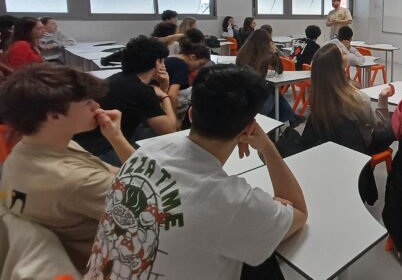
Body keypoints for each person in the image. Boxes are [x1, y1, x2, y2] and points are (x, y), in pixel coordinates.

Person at [85, 65, 308, 279]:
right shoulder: (232, 202)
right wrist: (268, 147)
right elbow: (298, 211)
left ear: (191, 114)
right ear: (248, 128)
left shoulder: (146, 151)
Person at [0, 64, 133, 271]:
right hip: (113, 264)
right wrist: (119, 139)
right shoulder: (77, 181)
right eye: (88, 102)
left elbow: (123, 177)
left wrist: (113, 137)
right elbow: (154, 199)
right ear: (54, 117)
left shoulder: (21, 154)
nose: (97, 106)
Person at [73, 36, 177, 166]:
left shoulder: (119, 78)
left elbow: (154, 110)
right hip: (100, 154)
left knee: (150, 125)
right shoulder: (140, 90)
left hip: (81, 146)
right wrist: (165, 97)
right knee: (163, 138)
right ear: (158, 63)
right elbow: (170, 131)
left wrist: (164, 86)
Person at [306, 44, 394, 154]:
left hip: (331, 147)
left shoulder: (317, 96)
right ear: (342, 67)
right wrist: (382, 98)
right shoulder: (356, 98)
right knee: (394, 121)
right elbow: (378, 124)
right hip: (359, 148)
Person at [236, 29, 302, 127]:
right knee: (273, 91)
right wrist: (275, 52)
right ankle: (287, 120)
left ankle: (291, 118)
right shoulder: (266, 56)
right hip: (257, 102)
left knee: (272, 90)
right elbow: (280, 70)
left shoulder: (242, 53)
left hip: (242, 97)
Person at [166, 39, 211, 113]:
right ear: (193, 57)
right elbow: (172, 94)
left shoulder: (173, 58)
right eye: (200, 64)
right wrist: (174, 118)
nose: (198, 68)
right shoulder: (182, 65)